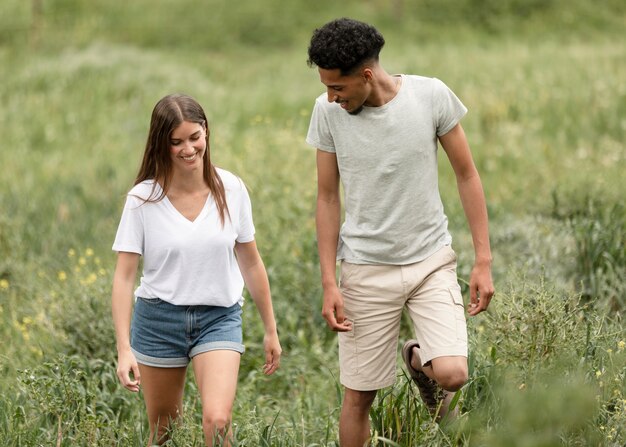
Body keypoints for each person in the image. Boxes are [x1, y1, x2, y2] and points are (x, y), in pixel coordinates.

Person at [306, 18, 494, 446]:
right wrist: (329, 281)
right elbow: (327, 198)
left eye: (338, 88)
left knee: (453, 374)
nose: (332, 98)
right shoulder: (327, 113)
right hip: (365, 270)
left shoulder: (430, 96)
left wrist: (483, 259)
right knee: (359, 397)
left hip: (430, 261)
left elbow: (467, 175)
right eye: (326, 88)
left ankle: (416, 359)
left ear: (367, 75)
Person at [111, 93, 282, 446]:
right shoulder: (142, 199)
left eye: (194, 137)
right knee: (163, 432)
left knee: (218, 421)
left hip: (218, 317)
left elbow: (250, 260)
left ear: (206, 132)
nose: (188, 149)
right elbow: (124, 276)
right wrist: (123, 347)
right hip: (158, 321)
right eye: (176, 142)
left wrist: (270, 329)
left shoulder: (231, 189)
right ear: (162, 144)